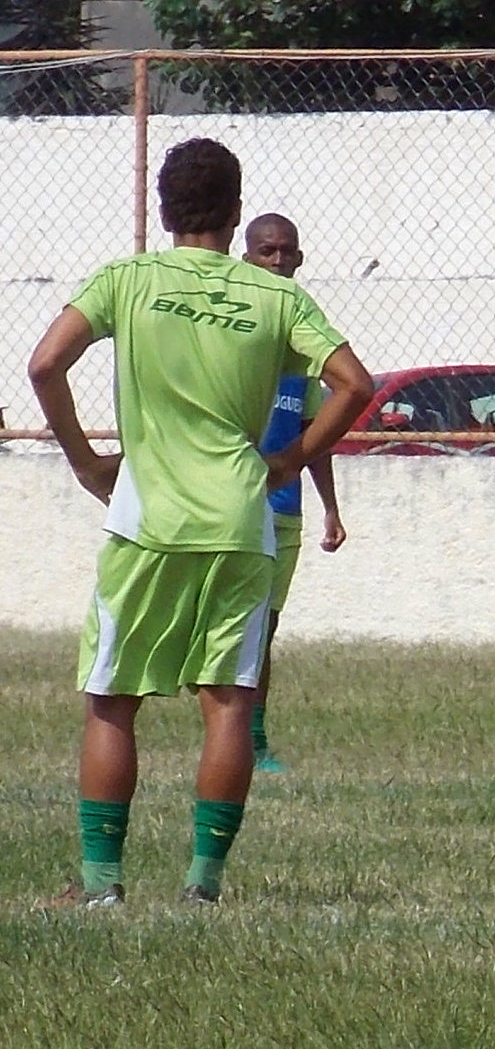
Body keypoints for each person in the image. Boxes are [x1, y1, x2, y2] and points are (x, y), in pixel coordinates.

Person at [28, 139, 373, 906]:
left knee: (114, 699)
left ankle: (102, 887)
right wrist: (287, 462)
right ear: (236, 212)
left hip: (146, 520)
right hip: (241, 521)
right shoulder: (276, 298)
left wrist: (88, 461)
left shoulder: (127, 280)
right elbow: (355, 383)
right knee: (229, 699)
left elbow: (45, 364)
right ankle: (202, 887)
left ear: (162, 208)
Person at [244, 213, 349, 773]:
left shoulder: (308, 347)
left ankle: (253, 743)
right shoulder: (239, 331)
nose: (279, 261)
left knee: (265, 627)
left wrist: (330, 506)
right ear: (247, 257)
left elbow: (316, 435)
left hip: (284, 511)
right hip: (232, 505)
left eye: (287, 252)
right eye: (267, 251)